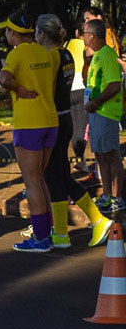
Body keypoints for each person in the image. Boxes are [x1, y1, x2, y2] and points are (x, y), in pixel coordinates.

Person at [35, 14, 113, 248]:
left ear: (42, 34)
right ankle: (87, 223)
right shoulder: (66, 53)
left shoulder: (50, 57)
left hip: (55, 120)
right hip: (65, 117)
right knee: (61, 176)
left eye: (36, 32)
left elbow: (45, 89)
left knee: (53, 176)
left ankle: (65, 232)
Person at [0, 13, 59, 252]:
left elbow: (3, 77)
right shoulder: (46, 53)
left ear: (13, 33)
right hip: (50, 119)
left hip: (29, 122)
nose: (6, 35)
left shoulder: (17, 53)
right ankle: (47, 233)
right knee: (40, 179)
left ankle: (41, 238)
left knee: (32, 181)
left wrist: (19, 89)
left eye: (7, 31)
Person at [82, 19, 124, 214]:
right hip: (96, 112)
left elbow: (114, 85)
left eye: (84, 33)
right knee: (100, 155)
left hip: (105, 112)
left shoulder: (107, 55)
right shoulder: (96, 56)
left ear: (92, 35)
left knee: (111, 155)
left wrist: (96, 101)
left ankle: (117, 197)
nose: (82, 37)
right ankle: (107, 195)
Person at [65, 20, 88, 173]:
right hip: (81, 86)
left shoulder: (66, 45)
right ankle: (81, 159)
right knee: (82, 124)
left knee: (74, 125)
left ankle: (80, 159)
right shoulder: (87, 47)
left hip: (69, 87)